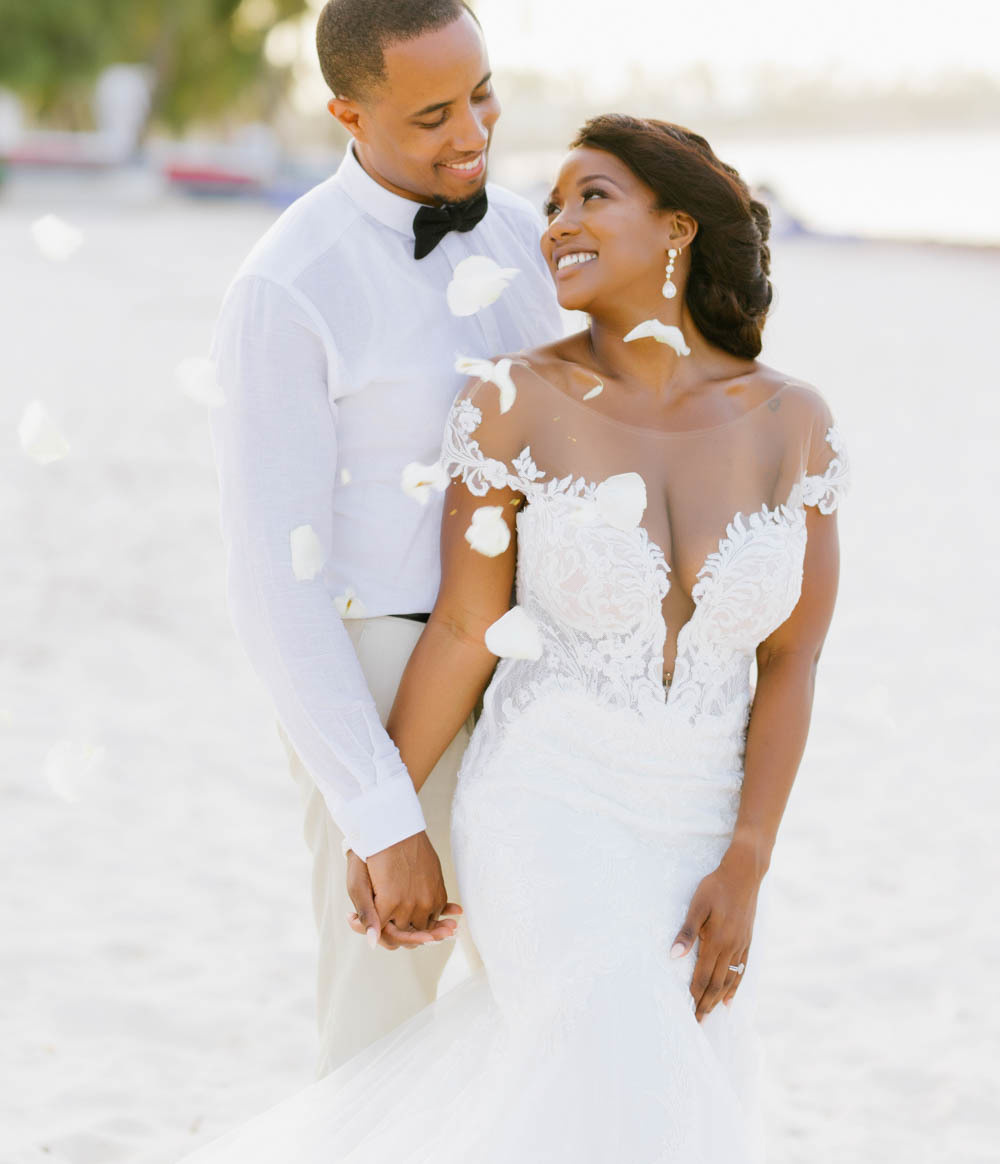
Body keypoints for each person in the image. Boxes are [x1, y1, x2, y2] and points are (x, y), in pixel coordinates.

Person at [192, 113, 848, 1163]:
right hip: (549, 811)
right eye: (550, 206)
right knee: (610, 1031)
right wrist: (383, 815)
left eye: (592, 197)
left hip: (701, 833)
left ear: (678, 227)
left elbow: (792, 660)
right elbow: (462, 625)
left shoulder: (793, 422)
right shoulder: (510, 401)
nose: (555, 226)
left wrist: (749, 860)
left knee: (677, 1081)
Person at [208, 0, 563, 1074]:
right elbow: (273, 582)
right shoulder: (288, 287)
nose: (472, 133)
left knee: (555, 1020)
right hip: (380, 670)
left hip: (544, 675)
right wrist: (378, 811)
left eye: (483, 97)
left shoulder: (531, 240)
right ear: (346, 116)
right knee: (379, 1039)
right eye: (432, 115)